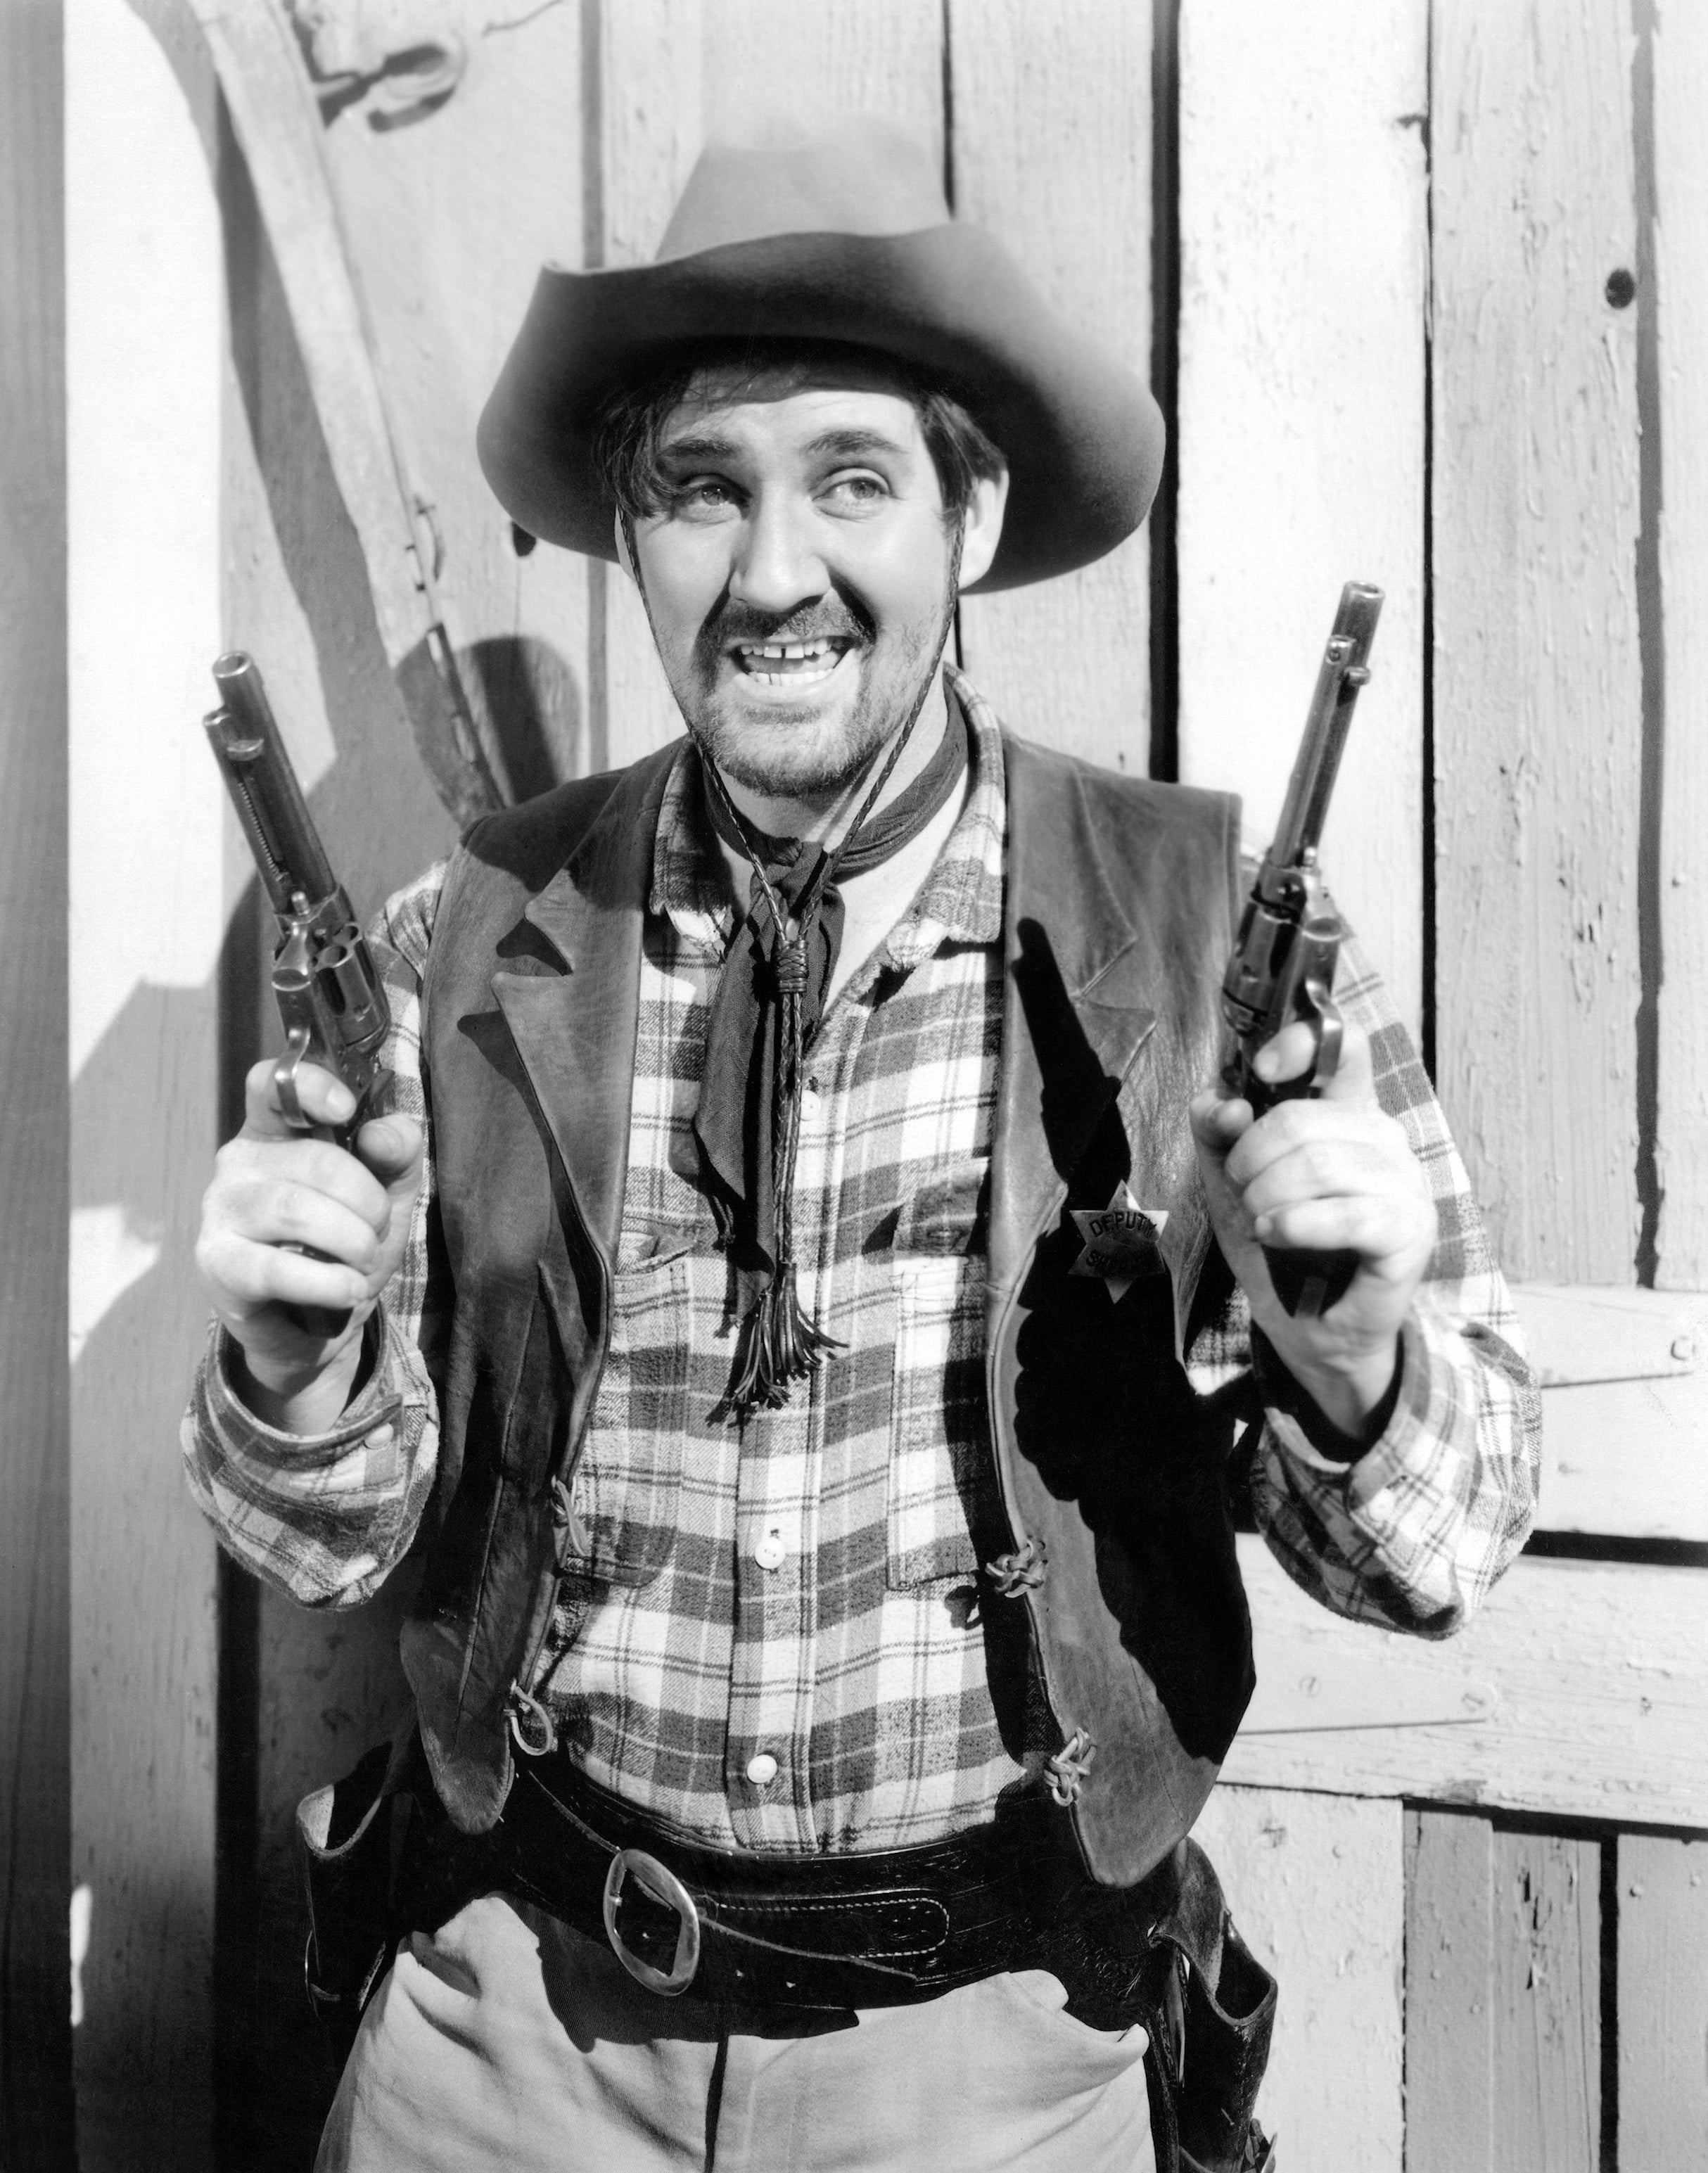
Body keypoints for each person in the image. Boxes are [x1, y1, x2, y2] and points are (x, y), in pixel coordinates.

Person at [184, 111, 1538, 2173]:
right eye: (700, 490)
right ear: (630, 532)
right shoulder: (467, 941)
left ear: (967, 515)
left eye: (849, 480)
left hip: (994, 2074)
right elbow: (330, 1542)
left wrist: (1352, 1370)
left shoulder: (1205, 934)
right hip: (512, 2049)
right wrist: (298, 1371)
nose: (771, 575)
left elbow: (1442, 1545)